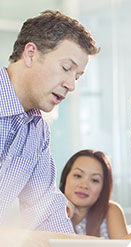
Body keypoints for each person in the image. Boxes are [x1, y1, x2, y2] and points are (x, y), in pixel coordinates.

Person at [0, 10, 99, 233]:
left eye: (77, 76)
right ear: (31, 54)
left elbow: (44, 209)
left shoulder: (37, 131)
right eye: (66, 68)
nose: (71, 85)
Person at [59, 150, 127, 239]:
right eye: (78, 176)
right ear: (65, 178)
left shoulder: (111, 211)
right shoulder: (49, 209)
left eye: (94, 180)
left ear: (103, 187)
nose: (84, 185)